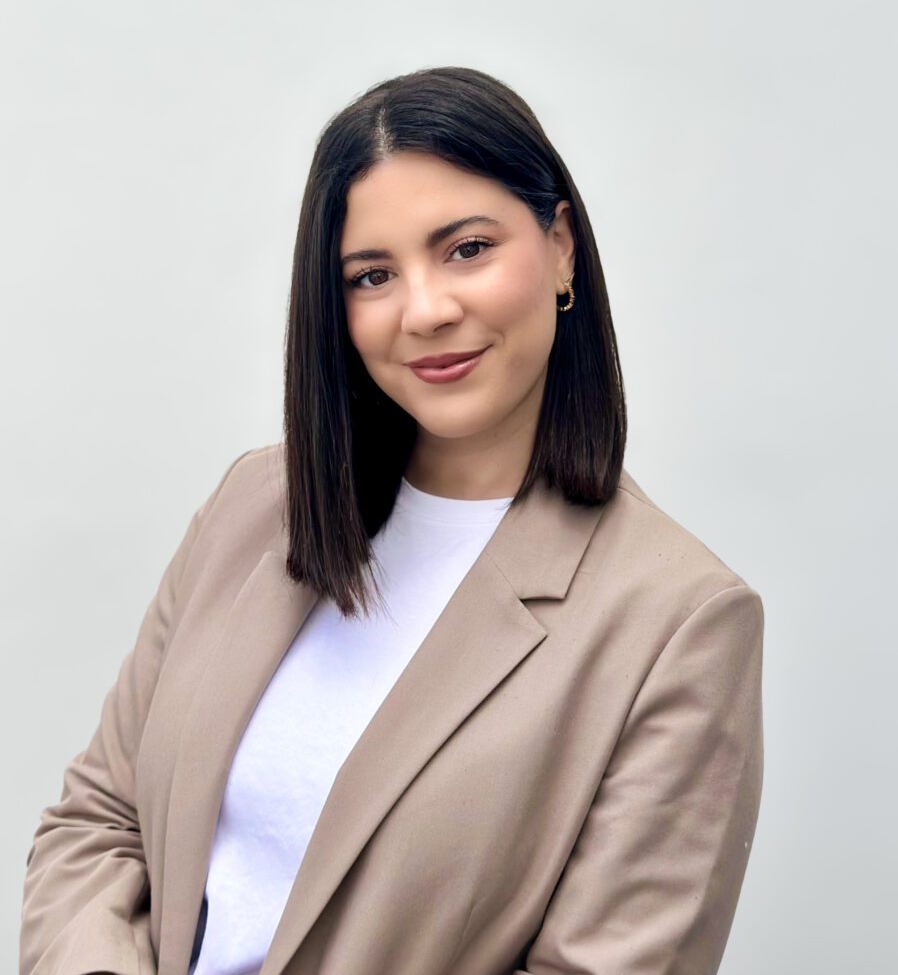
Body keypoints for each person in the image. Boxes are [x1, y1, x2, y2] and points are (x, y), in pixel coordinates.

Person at [19, 66, 765, 975]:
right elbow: (100, 823)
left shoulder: (680, 622)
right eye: (372, 275)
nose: (425, 311)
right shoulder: (254, 505)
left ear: (561, 246)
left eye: (467, 249)